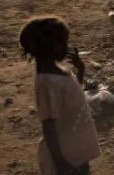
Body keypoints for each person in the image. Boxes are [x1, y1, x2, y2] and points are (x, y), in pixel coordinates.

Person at [19, 17, 100, 175]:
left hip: (75, 150)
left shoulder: (58, 73)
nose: (67, 47)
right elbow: (48, 127)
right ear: (51, 47)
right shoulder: (48, 84)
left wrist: (80, 69)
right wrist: (61, 163)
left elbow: (72, 94)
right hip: (66, 158)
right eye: (64, 42)